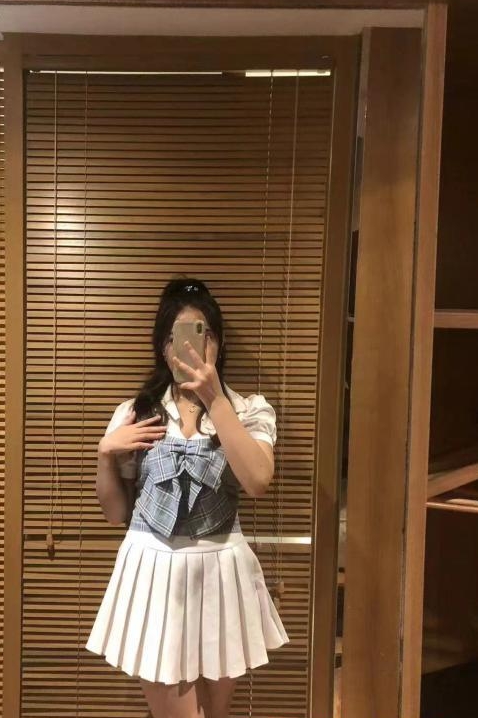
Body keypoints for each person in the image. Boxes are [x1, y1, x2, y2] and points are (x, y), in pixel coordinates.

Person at [87, 278, 288, 718]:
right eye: (178, 336)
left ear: (218, 342)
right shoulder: (135, 413)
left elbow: (258, 481)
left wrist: (214, 398)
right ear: (164, 347)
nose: (193, 348)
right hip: (152, 568)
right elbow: (116, 513)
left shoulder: (249, 409)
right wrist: (105, 453)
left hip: (223, 570)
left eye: (204, 334)